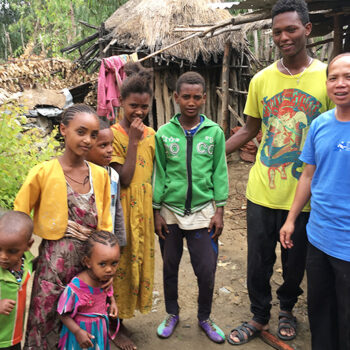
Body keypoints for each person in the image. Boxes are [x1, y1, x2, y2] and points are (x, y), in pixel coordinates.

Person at [226, 0, 334, 345]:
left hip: (304, 195)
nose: (283, 37)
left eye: (290, 29)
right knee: (257, 260)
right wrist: (208, 155)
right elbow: (248, 130)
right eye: (277, 32)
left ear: (307, 29)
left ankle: (287, 308)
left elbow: (337, 132)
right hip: (262, 190)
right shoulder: (261, 80)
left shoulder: (327, 78)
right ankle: (259, 315)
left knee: (294, 261)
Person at [14, 104, 113, 349]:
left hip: (89, 267)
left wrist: (108, 265)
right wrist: (19, 253)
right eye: (81, 132)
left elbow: (105, 224)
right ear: (63, 129)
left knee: (83, 321)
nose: (88, 140)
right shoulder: (43, 173)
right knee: (45, 319)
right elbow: (20, 213)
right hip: (53, 267)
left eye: (93, 134)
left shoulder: (100, 176)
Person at [280, 53, 350, 350]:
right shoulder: (320, 123)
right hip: (319, 236)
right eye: (333, 77)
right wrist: (291, 219)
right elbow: (308, 175)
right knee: (320, 310)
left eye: (347, 77)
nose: (340, 84)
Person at [153, 71, 229, 344]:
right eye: (186, 96)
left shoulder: (214, 133)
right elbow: (159, 173)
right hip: (170, 212)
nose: (191, 102)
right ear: (176, 97)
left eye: (197, 97)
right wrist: (156, 212)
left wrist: (219, 210)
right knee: (170, 266)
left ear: (205, 98)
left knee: (206, 269)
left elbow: (220, 171)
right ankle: (172, 313)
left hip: (203, 212)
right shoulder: (164, 134)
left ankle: (205, 317)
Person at [110, 62, 155, 350]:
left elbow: (156, 176)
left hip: (145, 211)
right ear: (121, 103)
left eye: (144, 106)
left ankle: (124, 316)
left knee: (139, 262)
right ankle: (116, 325)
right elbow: (124, 179)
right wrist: (134, 142)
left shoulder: (152, 135)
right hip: (120, 211)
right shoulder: (111, 135)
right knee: (118, 265)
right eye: (133, 106)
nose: (139, 112)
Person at [57, 230, 120, 350]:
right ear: (87, 262)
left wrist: (113, 303)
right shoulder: (76, 287)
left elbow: (108, 292)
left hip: (99, 331)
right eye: (102, 264)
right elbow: (62, 314)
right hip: (80, 337)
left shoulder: (104, 279)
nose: (109, 270)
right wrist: (77, 332)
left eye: (114, 263)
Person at [86, 119, 127, 247]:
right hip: (86, 242)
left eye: (111, 144)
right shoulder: (82, 176)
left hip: (108, 242)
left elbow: (117, 208)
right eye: (103, 145)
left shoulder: (113, 176)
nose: (110, 150)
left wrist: (119, 242)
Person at [0, 211, 34, 350]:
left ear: (28, 245)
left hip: (14, 336)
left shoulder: (28, 262)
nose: (3, 256)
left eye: (12, 251)